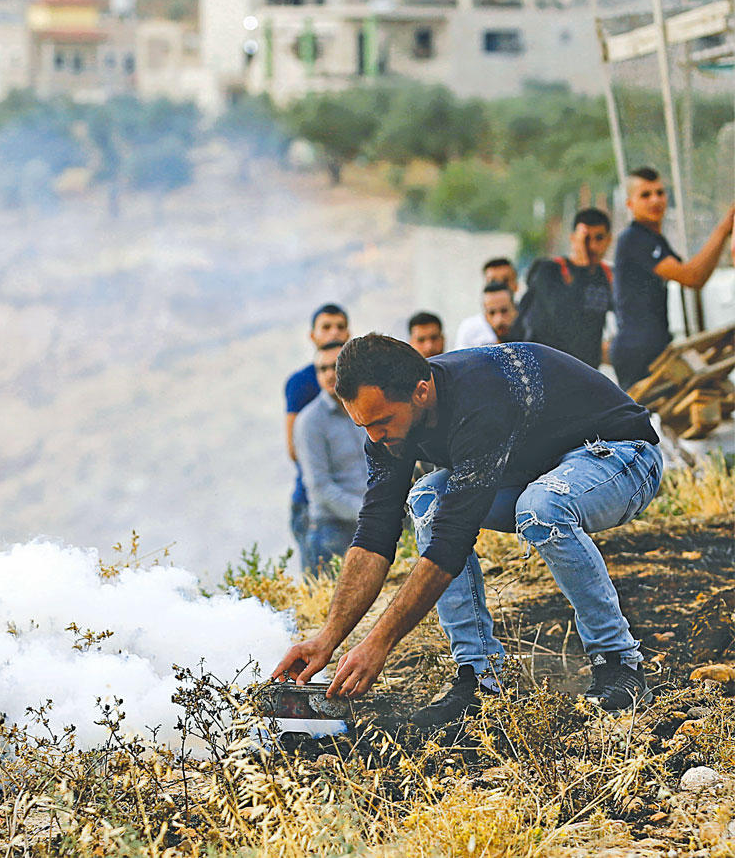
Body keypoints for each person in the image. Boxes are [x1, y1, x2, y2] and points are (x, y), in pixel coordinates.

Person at [272, 335, 662, 729]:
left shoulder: (482, 398)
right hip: (537, 471)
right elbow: (374, 533)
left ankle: (620, 663)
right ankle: (480, 678)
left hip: (623, 455)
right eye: (364, 425)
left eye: (382, 422)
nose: (373, 436)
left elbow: (450, 544)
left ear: (421, 392)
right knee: (426, 498)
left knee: (541, 508)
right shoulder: (390, 428)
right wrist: (327, 638)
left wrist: (378, 644)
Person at [610, 167, 735, 389]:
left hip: (657, 346)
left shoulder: (655, 240)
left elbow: (698, 276)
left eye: (660, 192)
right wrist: (724, 228)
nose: (655, 200)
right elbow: (692, 276)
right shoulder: (635, 239)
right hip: (638, 351)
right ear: (629, 204)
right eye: (645, 195)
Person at [294, 341, 368, 576]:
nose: (328, 374)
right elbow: (319, 488)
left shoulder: (365, 407)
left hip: (371, 522)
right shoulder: (309, 421)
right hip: (332, 531)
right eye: (322, 369)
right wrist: (370, 512)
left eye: (334, 367)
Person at [285, 305, 351, 568]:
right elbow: (294, 449)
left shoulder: (361, 384)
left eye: (340, 326)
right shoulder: (302, 384)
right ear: (312, 335)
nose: (333, 332)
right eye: (326, 327)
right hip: (315, 503)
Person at [515, 208, 613, 368]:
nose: (592, 246)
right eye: (586, 239)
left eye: (599, 238)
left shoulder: (606, 276)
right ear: (573, 239)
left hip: (586, 371)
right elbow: (562, 316)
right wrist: (582, 267)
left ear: (609, 240)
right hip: (546, 367)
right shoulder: (550, 270)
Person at [453, 258, 518, 349]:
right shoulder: (469, 329)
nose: (499, 285)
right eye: (493, 281)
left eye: (505, 280)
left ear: (516, 284)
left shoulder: (532, 323)